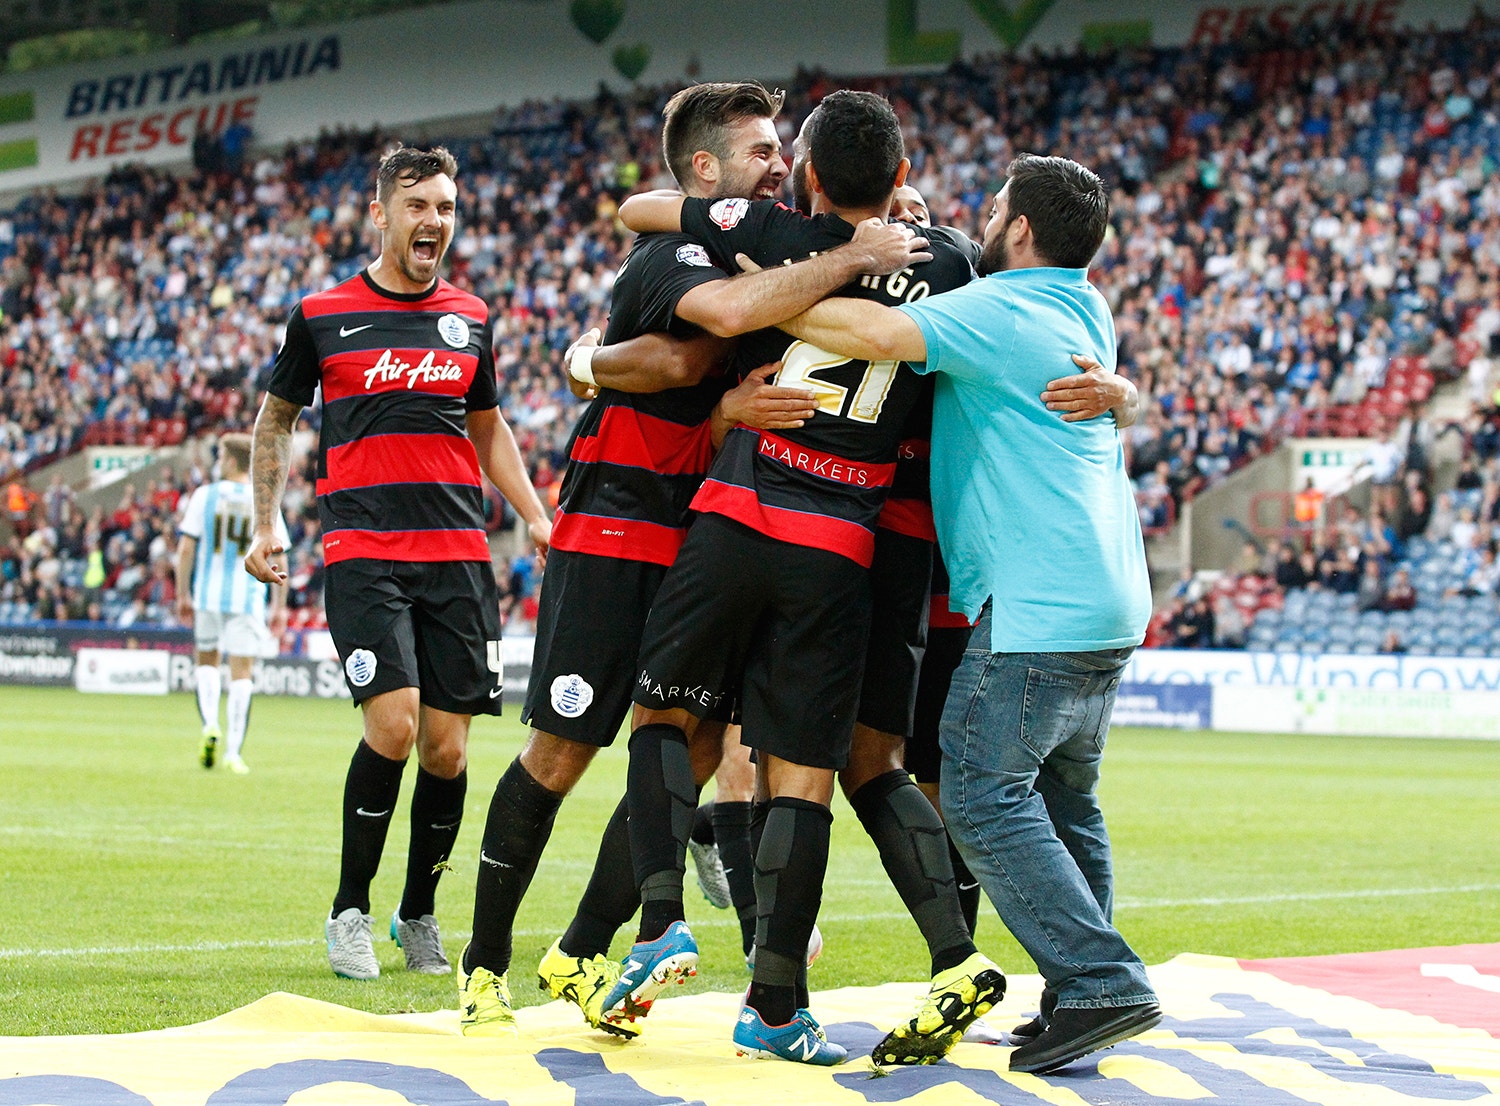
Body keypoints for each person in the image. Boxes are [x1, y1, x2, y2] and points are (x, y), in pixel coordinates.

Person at [461, 82, 927, 1038]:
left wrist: (725, 412)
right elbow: (687, 351)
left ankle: (595, 949)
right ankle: (482, 963)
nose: (776, 163)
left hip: (711, 534)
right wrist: (602, 365)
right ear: (706, 171)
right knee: (562, 751)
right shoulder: (675, 252)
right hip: (617, 529)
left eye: (780, 150)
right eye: (758, 150)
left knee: (700, 747)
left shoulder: (780, 249)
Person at [780, 153, 1162, 1075]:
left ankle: (1103, 979)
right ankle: (1081, 990)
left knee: (984, 799)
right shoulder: (1085, 303)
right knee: (1066, 801)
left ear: (1020, 229)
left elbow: (864, 331)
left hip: (1040, 601)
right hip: (1107, 594)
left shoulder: (998, 308)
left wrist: (760, 294)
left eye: (994, 209)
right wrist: (1130, 395)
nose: (983, 221)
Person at [244, 145, 552, 983]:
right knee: (394, 724)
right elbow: (275, 423)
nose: (435, 222)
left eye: (447, 207)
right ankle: (348, 909)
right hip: (363, 546)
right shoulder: (321, 313)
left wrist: (534, 513)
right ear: (380, 215)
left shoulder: (470, 318)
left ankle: (417, 914)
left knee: (448, 752)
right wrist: (265, 522)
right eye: (419, 206)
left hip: (457, 552)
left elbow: (487, 428)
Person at [174, 433, 287, 773]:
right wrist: (279, 604)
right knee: (242, 674)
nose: (217, 460)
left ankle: (210, 723)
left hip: (207, 594)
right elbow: (280, 555)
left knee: (206, 662)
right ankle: (234, 753)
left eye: (221, 455)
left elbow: (186, 549)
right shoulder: (263, 501)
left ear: (231, 459)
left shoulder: (204, 496)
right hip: (249, 596)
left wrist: (182, 594)